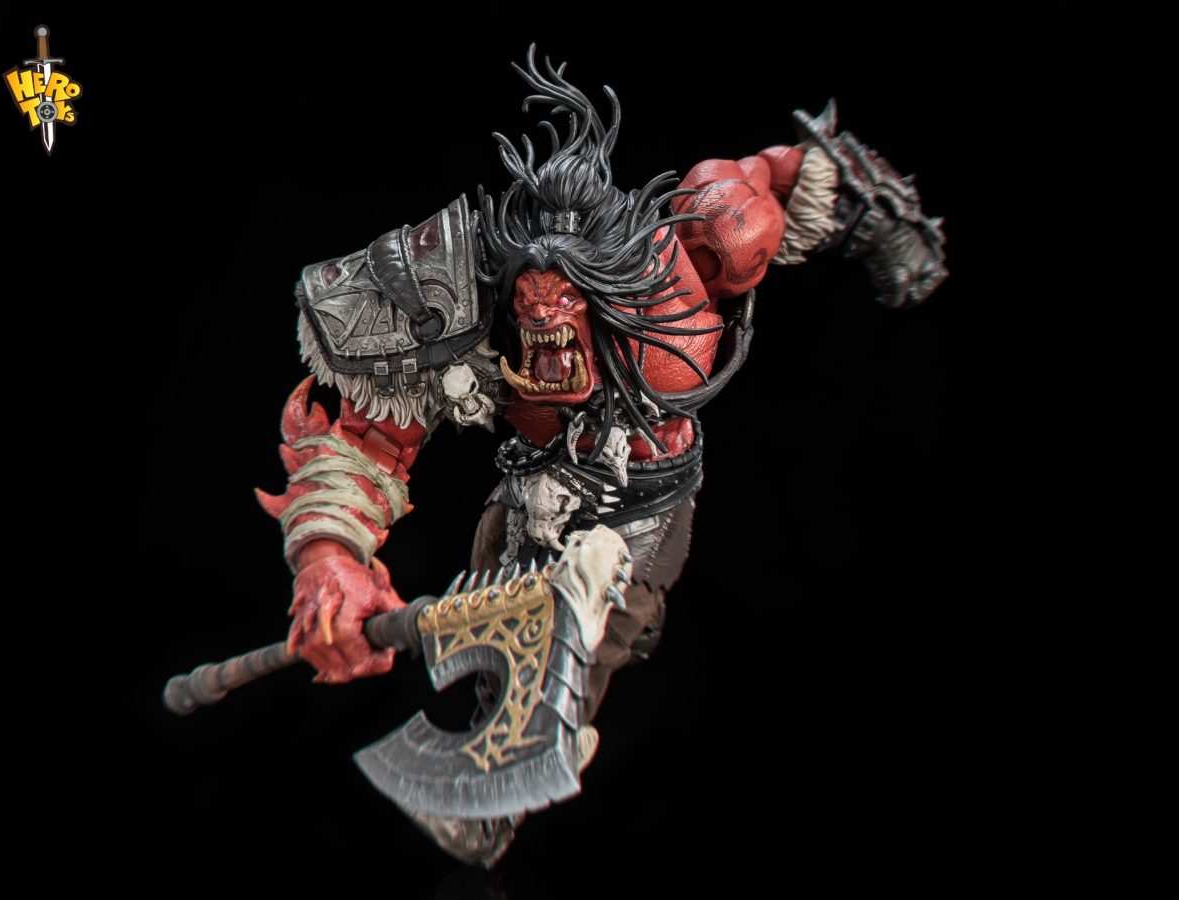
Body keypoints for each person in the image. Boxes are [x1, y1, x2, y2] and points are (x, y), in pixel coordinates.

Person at [255, 46, 947, 866]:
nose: (547, 324)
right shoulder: (462, 295)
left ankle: (499, 801)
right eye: (529, 304)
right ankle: (502, 767)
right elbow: (367, 442)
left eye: (568, 305)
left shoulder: (701, 248)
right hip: (532, 497)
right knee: (504, 655)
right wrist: (330, 562)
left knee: (577, 639)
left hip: (645, 506)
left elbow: (794, 170)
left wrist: (886, 223)